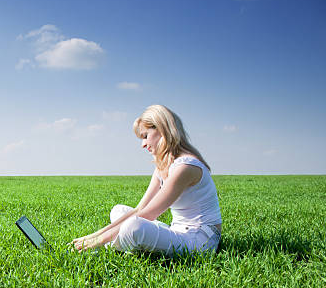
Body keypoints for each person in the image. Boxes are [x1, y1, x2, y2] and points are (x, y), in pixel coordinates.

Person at [70, 105, 222, 255]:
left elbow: (149, 214)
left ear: (162, 130)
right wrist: (92, 236)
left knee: (134, 226)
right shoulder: (162, 166)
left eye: (145, 136)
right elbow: (139, 209)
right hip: (177, 230)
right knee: (119, 211)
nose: (143, 144)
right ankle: (123, 244)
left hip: (200, 241)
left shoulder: (185, 167)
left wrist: (98, 241)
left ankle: (104, 248)